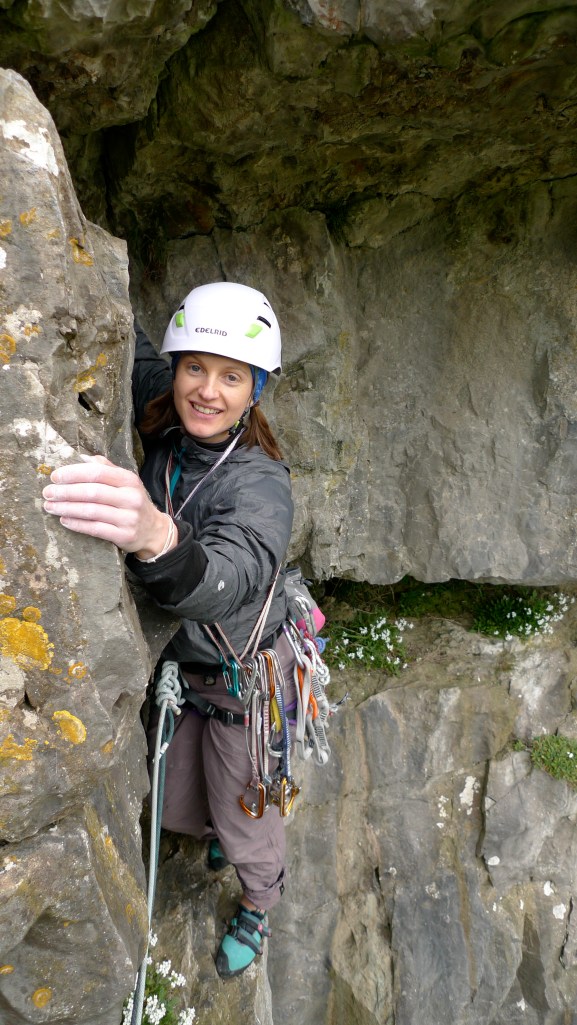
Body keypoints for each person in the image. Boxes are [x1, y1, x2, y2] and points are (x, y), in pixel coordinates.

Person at [42, 281, 299, 978]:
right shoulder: (169, 414)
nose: (206, 390)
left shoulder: (258, 483)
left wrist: (155, 533)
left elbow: (230, 576)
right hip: (186, 670)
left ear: (256, 391)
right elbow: (127, 346)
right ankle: (217, 827)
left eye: (231, 376)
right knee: (179, 799)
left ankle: (257, 901)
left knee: (247, 823)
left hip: (243, 681)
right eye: (196, 367)